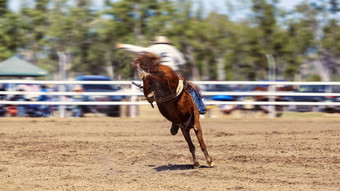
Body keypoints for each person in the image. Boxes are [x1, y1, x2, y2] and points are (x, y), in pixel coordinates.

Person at [117, 36, 207, 135]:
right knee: (192, 88)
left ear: (156, 43)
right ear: (167, 43)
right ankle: (200, 108)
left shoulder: (152, 49)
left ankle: (149, 94)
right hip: (174, 76)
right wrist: (180, 68)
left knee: (150, 83)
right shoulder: (173, 49)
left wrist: (124, 46)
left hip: (157, 76)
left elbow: (139, 50)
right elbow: (182, 62)